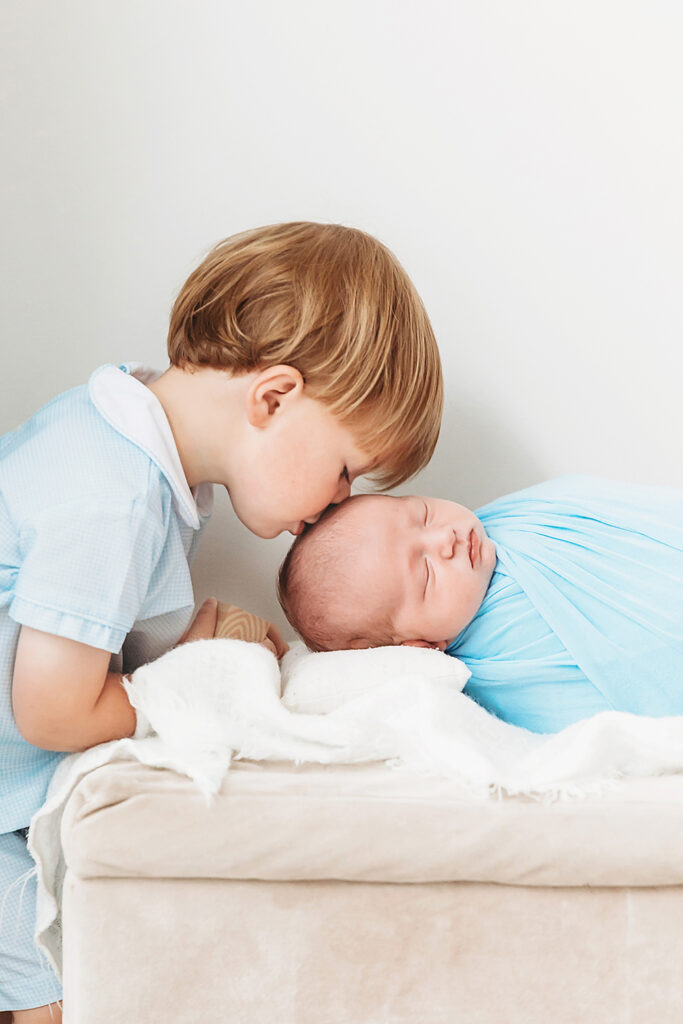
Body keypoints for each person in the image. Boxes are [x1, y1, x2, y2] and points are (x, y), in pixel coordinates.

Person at [0, 221, 443, 1022]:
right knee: (55, 991)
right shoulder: (115, 497)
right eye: (346, 470)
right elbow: (51, 708)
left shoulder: (113, 432)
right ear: (272, 397)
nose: (339, 504)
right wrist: (182, 679)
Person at [278, 474, 683, 734]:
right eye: (427, 574)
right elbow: (577, 710)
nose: (444, 539)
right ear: (419, 645)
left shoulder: (519, 515)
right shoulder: (499, 660)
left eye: (423, 515)